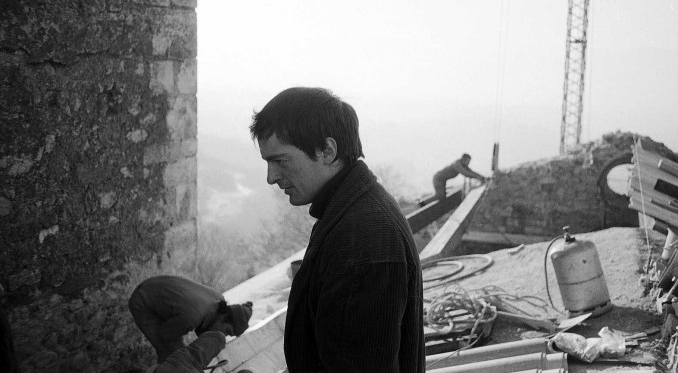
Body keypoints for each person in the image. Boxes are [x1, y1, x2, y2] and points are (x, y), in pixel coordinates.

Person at [250, 86, 425, 373]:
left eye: (280, 161)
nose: (271, 177)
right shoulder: (349, 211)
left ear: (328, 151)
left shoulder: (363, 239)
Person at [128, 275, 252, 364]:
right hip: (142, 301)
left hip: (153, 287)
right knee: (171, 355)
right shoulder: (192, 318)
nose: (222, 335)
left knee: (179, 353)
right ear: (224, 317)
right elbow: (165, 335)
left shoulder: (218, 298)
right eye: (227, 331)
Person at [421, 154, 487, 206]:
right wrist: (480, 178)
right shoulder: (457, 164)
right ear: (464, 160)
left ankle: (425, 202)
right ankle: (422, 203)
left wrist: (482, 177)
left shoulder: (462, 164)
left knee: (443, 197)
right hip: (438, 179)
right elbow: (466, 173)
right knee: (440, 196)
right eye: (468, 161)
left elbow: (471, 171)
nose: (468, 163)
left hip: (442, 180)